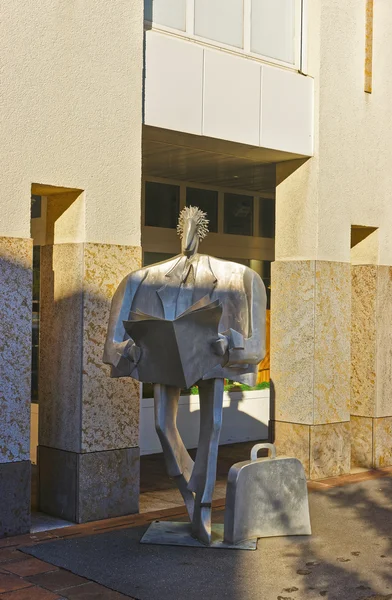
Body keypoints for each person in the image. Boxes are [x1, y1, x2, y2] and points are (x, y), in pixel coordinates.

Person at [103, 206, 266, 544]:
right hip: (165, 357)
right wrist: (131, 349)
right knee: (163, 425)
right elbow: (114, 342)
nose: (187, 236)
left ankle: (203, 507)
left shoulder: (240, 277)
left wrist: (231, 343)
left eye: (193, 229)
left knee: (214, 425)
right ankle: (191, 483)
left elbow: (256, 345)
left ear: (200, 230)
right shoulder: (143, 279)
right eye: (183, 229)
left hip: (211, 357)